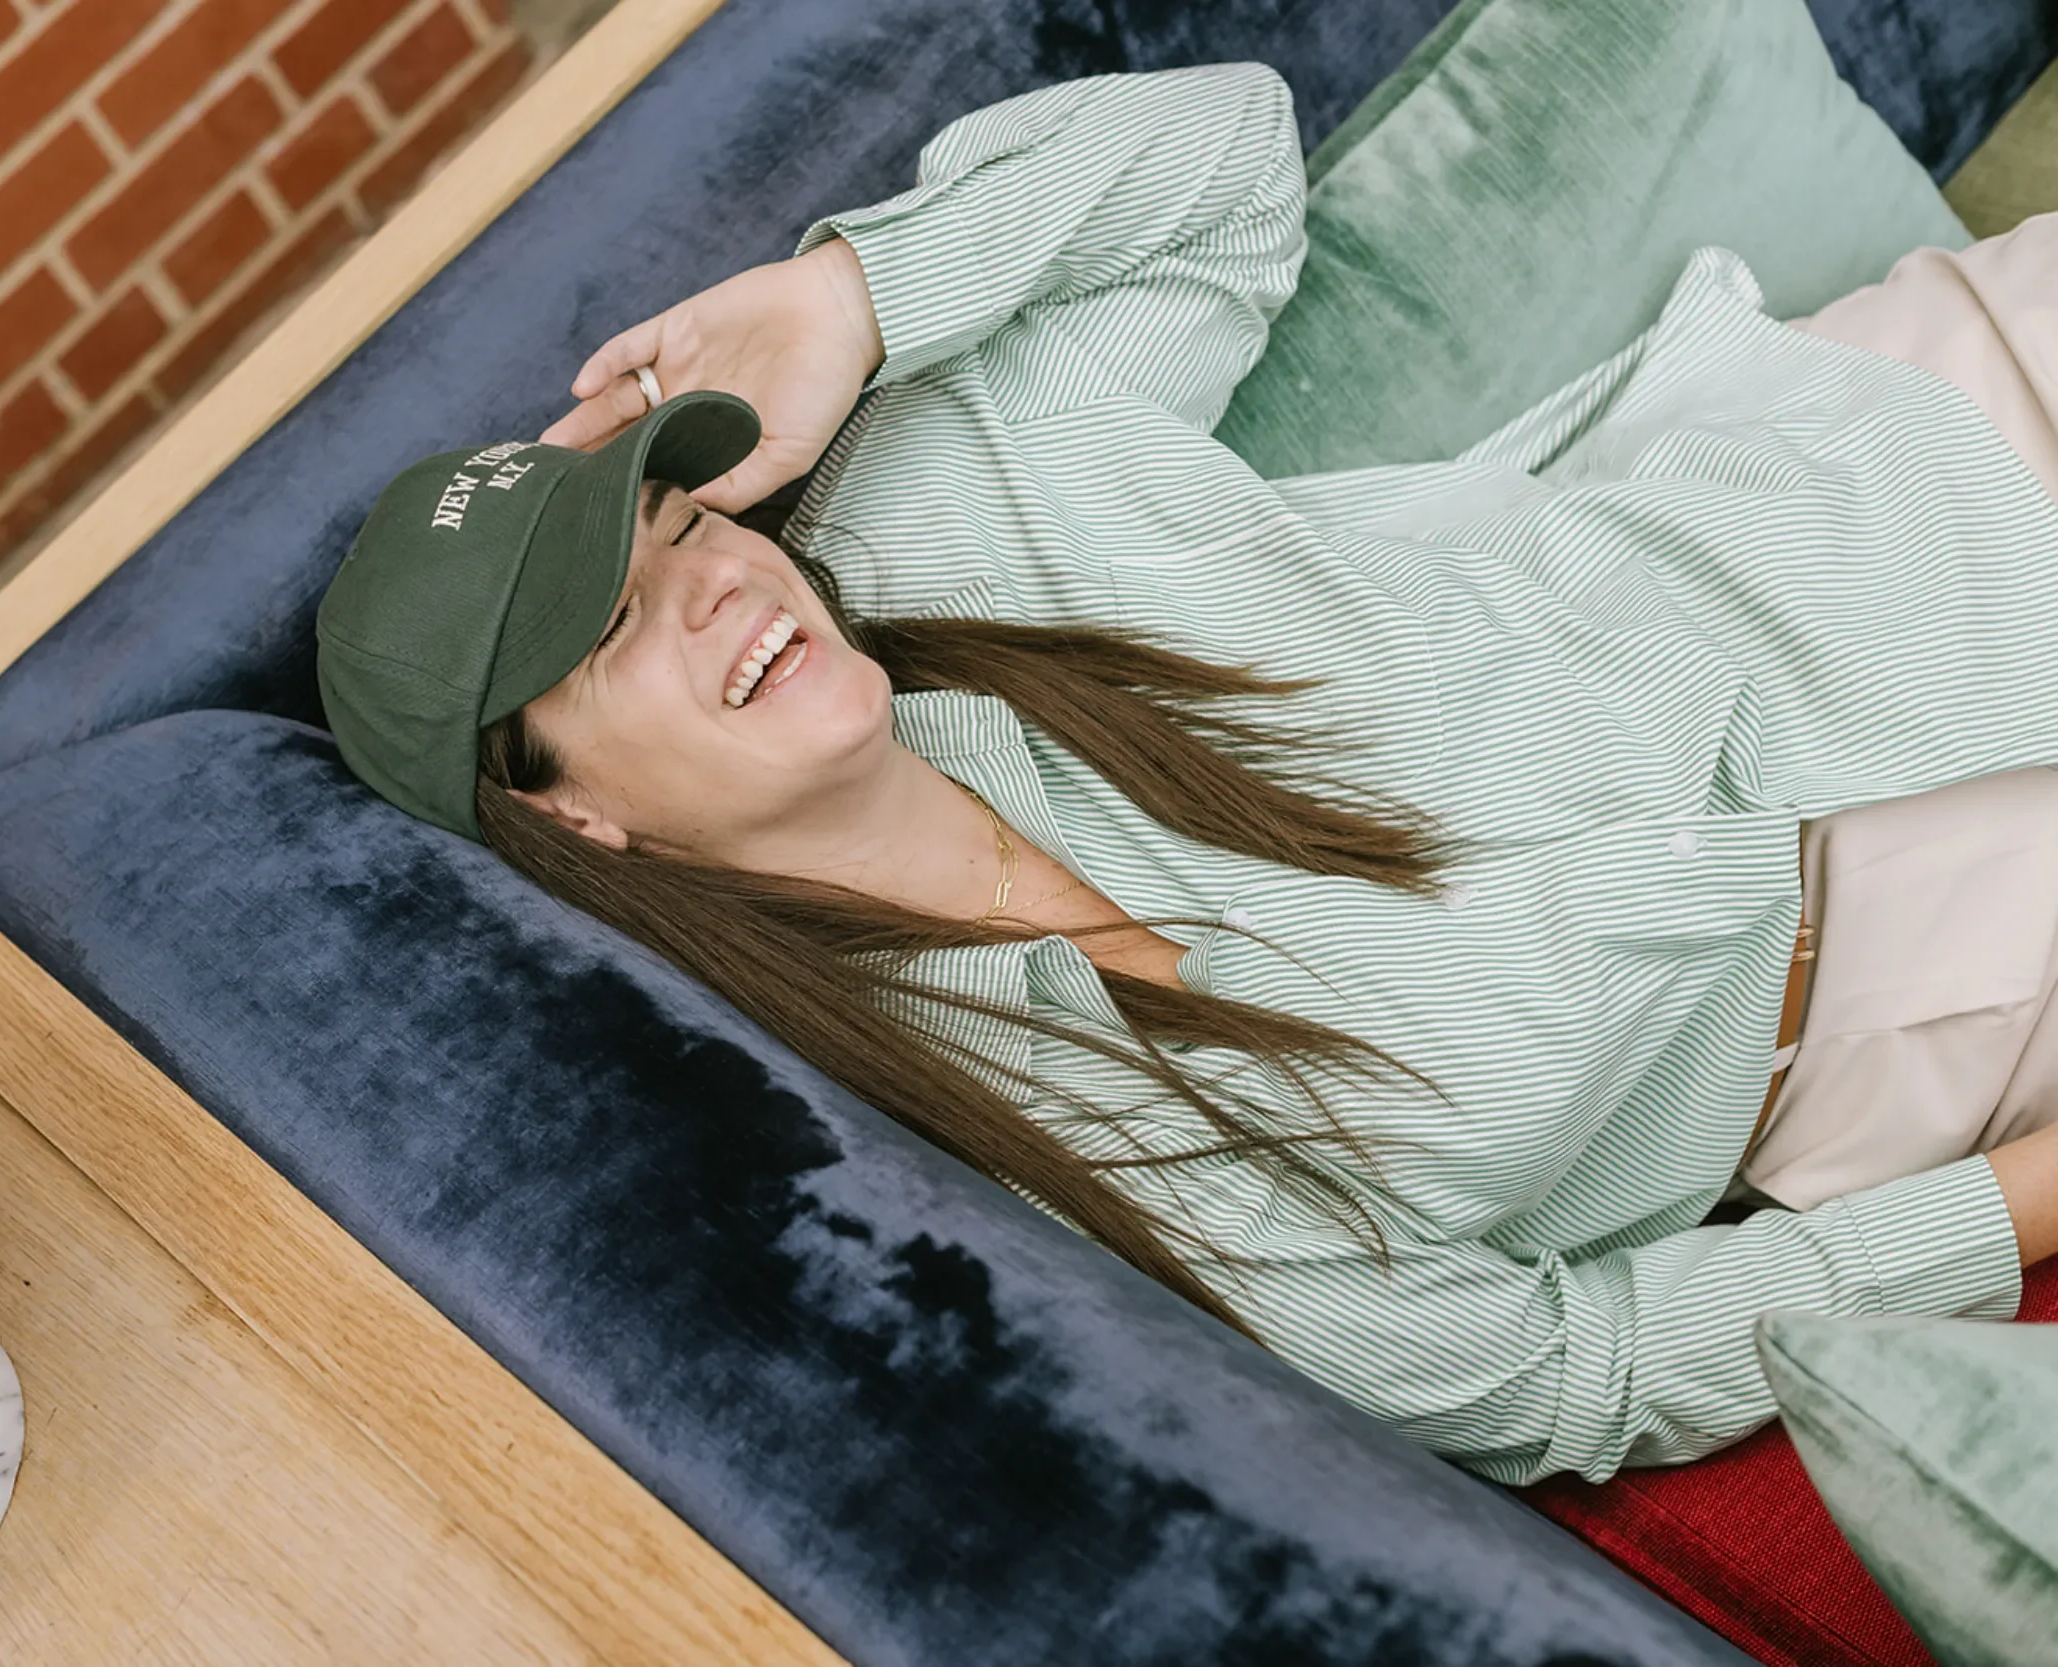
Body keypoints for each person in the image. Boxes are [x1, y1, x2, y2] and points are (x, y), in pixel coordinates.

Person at [313, 61, 2058, 1485]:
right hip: (1924, 1013)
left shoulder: (939, 506)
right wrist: (2027, 1198)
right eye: (612, 628)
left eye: (684, 517)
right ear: (563, 811)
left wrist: (852, 295)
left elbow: (1219, 154)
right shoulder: (1033, 1150)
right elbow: (1562, 1377)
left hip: (1923, 455)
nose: (715, 581)